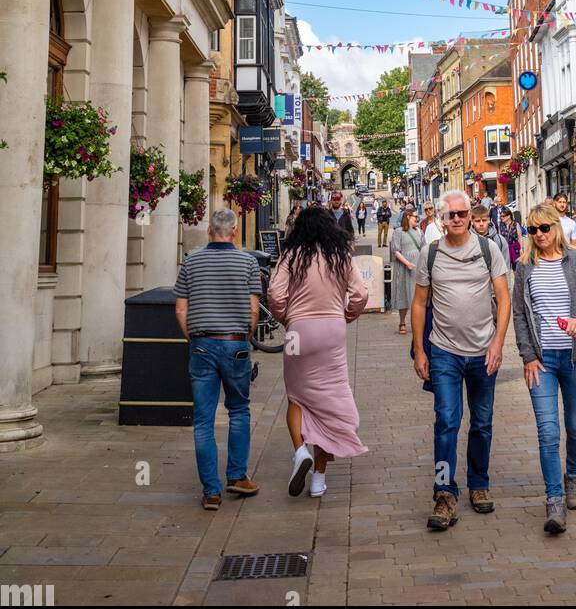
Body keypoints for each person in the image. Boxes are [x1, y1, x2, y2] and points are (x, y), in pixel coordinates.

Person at [412, 189, 510, 531]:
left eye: (462, 214)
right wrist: (420, 349)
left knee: (482, 423)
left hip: (483, 352)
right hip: (444, 353)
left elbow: (503, 297)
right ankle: (444, 492)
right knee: (446, 422)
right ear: (442, 218)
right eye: (450, 214)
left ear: (470, 216)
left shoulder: (488, 249)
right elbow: (420, 303)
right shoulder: (431, 253)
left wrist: (498, 343)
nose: (457, 219)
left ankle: (479, 484)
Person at [267, 205, 369, 500]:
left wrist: (286, 318)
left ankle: (300, 452)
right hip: (332, 330)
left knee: (296, 396)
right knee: (329, 399)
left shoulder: (291, 256)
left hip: (300, 331)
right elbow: (361, 294)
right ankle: (319, 480)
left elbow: (274, 293)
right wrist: (347, 314)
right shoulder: (340, 256)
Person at [512, 200, 576, 534]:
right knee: (548, 431)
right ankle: (555, 500)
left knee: (575, 425)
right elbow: (519, 313)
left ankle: (573, 477)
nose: (539, 234)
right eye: (532, 230)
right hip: (542, 359)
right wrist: (527, 355)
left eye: (544, 228)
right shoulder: (525, 267)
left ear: (556, 228)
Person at [174, 208, 263, 510]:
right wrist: (245, 336)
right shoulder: (248, 262)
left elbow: (180, 310)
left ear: (210, 231)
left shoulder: (191, 261)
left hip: (201, 343)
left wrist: (194, 339)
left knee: (203, 419)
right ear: (235, 232)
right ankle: (237, 476)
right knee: (238, 410)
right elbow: (253, 311)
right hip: (235, 343)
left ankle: (211, 491)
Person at [391, 209, 423, 335]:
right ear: (408, 217)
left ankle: (418, 322)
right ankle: (402, 321)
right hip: (404, 268)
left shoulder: (419, 231)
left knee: (418, 296)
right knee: (403, 293)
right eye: (415, 217)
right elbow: (396, 250)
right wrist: (407, 263)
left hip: (418, 266)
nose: (417, 219)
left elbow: (424, 248)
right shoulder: (399, 232)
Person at [471, 203, 511, 268]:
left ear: (489, 220)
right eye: (477, 221)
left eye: (484, 220)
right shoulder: (467, 240)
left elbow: (505, 266)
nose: (481, 224)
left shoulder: (500, 240)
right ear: (472, 221)